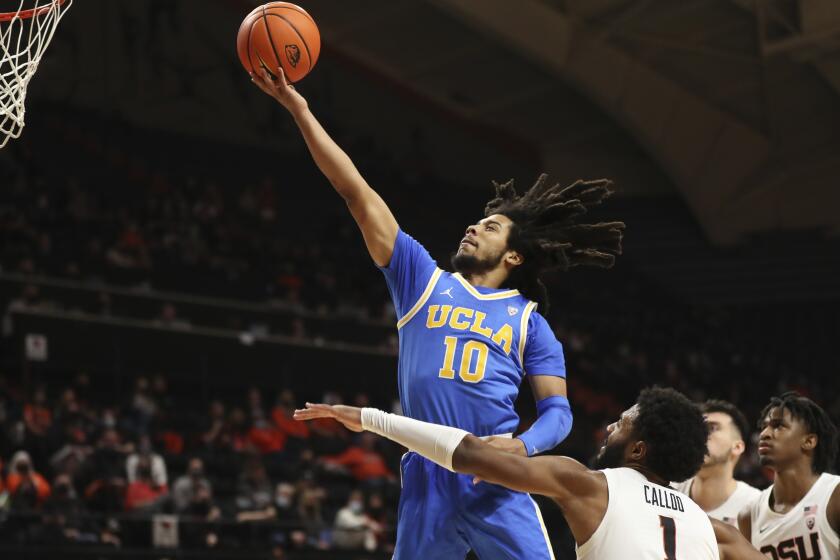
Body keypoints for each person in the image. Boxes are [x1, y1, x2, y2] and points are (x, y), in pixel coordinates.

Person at [251, 65, 625, 560]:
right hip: (428, 471)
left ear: (514, 256)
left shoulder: (530, 322)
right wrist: (300, 110)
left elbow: (558, 411)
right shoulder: (421, 281)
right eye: (476, 222)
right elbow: (356, 193)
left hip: (496, 471)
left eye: (490, 227)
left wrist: (526, 447)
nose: (473, 227)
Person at [295, 387, 767, 560]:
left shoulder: (589, 483)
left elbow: (472, 454)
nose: (609, 426)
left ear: (639, 448)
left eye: (621, 423)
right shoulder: (711, 527)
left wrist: (370, 418)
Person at [738, 392, 840, 558]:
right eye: (764, 426)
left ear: (809, 441)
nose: (764, 434)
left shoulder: (834, 495)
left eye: (778, 426)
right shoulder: (748, 515)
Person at [673, 399, 760, 525]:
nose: (700, 434)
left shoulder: (755, 506)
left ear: (737, 447)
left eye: (712, 428)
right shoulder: (666, 491)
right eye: (697, 428)